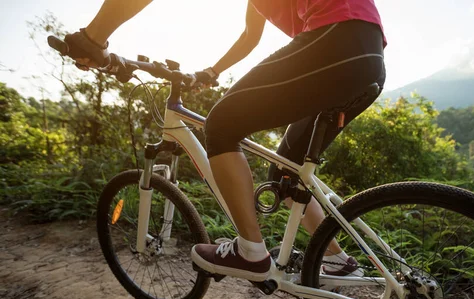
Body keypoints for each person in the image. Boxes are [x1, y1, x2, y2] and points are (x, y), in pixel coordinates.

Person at [64, 0, 386, 282]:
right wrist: (211, 72)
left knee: (220, 125)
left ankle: (251, 252)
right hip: (363, 57)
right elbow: (250, 36)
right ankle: (337, 261)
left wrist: (93, 38)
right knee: (285, 173)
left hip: (337, 39)